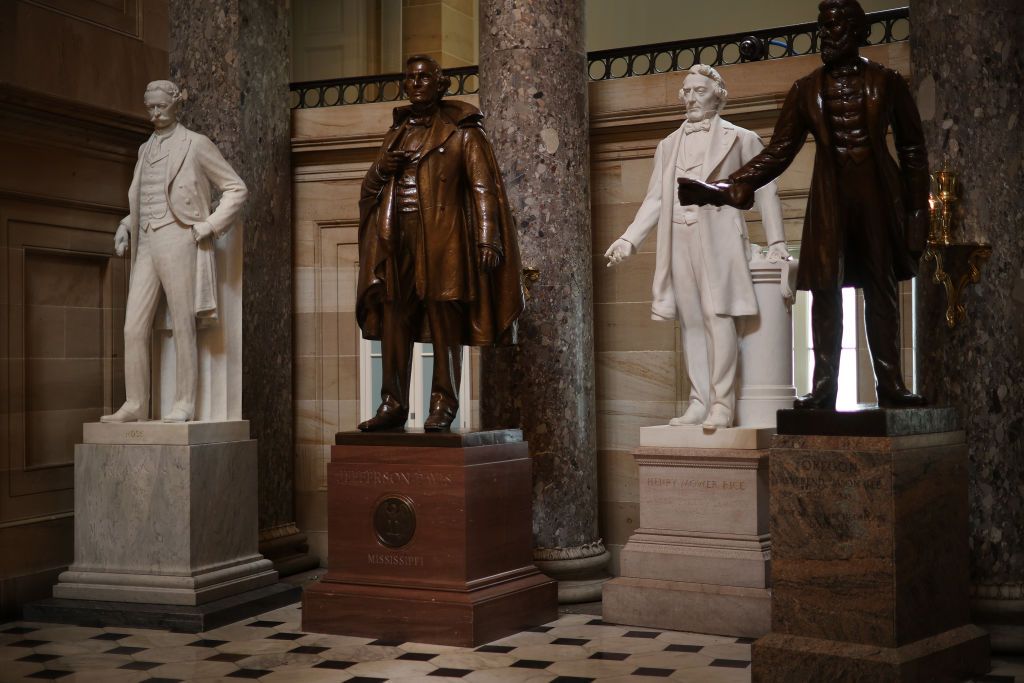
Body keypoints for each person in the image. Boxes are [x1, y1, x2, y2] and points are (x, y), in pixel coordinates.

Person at [677, 0, 929, 411]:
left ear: (859, 33)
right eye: (823, 28)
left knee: (881, 292)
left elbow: (913, 150)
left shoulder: (887, 82)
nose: (827, 36)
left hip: (879, 197)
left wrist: (919, 214)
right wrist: (727, 186)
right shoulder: (806, 88)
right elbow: (778, 152)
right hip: (831, 199)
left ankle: (891, 385)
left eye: (836, 28)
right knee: (826, 291)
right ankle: (824, 387)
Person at [605, 64, 787, 429]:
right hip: (679, 237)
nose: (690, 98)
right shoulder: (668, 144)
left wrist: (778, 240)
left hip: (719, 237)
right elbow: (655, 199)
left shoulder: (741, 138)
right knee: (689, 321)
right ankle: (699, 401)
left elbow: (767, 190)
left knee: (717, 316)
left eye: (698, 91)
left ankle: (722, 403)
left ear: (717, 95)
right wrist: (629, 239)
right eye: (686, 91)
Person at [356, 55, 524, 432]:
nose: (416, 83)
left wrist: (487, 238)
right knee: (396, 319)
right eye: (410, 78)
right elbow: (368, 190)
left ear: (440, 83)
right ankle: (393, 404)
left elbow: (485, 189)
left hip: (443, 237)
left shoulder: (462, 131)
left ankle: (443, 405)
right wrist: (384, 168)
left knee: (444, 321)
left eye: (424, 77)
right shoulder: (395, 134)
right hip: (396, 237)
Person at [101, 80, 247, 423]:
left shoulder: (196, 144)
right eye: (149, 107)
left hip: (179, 237)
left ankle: (184, 402)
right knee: (133, 326)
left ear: (174, 103)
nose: (154, 113)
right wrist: (125, 225)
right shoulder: (143, 150)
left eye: (160, 107)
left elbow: (236, 188)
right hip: (147, 241)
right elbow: (143, 198)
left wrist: (209, 225)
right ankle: (136, 403)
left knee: (183, 323)